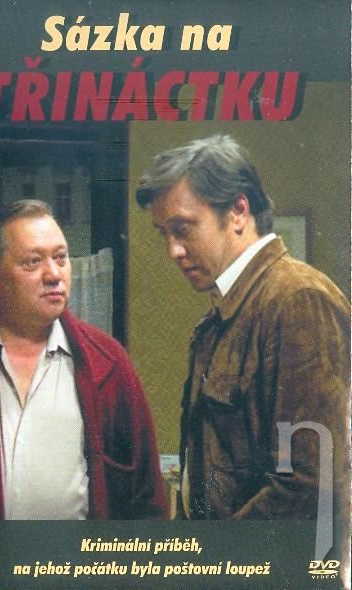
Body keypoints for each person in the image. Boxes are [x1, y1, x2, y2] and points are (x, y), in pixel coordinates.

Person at [136, 135, 349, 527]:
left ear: (238, 212)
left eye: (183, 229)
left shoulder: (297, 299)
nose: (173, 251)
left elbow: (310, 485)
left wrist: (218, 554)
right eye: (163, 233)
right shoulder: (225, 316)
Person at [0, 200, 165, 520]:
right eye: (33, 261)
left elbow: (148, 500)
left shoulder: (109, 362)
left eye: (61, 257)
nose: (54, 274)